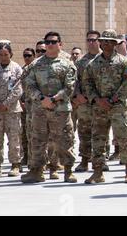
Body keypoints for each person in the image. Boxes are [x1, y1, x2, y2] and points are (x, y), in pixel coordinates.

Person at [21, 32, 77, 184]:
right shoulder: (36, 64)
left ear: (60, 44)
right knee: (37, 140)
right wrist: (41, 98)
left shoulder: (67, 64)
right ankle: (37, 171)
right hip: (40, 109)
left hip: (61, 109)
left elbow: (69, 87)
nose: (50, 44)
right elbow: (29, 84)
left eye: (53, 42)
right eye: (47, 42)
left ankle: (68, 170)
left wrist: (53, 99)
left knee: (65, 140)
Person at [83, 29, 127, 184]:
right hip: (99, 108)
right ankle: (98, 173)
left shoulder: (124, 62)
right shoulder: (92, 64)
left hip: (118, 107)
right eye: (103, 40)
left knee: (124, 138)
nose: (105, 43)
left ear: (115, 44)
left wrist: (114, 99)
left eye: (109, 41)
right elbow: (87, 83)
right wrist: (97, 99)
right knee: (98, 139)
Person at [72, 30, 107, 173]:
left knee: (101, 131)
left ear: (99, 41)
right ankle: (85, 160)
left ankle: (101, 161)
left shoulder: (105, 58)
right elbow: (75, 81)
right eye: (88, 40)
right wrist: (77, 95)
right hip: (85, 102)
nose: (91, 42)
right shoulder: (81, 62)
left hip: (100, 102)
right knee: (84, 131)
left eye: (93, 40)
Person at [0, 43, 23, 177]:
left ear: (10, 54)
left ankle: (15, 164)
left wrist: (5, 103)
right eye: (1, 55)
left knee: (14, 138)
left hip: (12, 110)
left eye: (6, 54)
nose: (3, 57)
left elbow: (18, 89)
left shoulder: (16, 68)